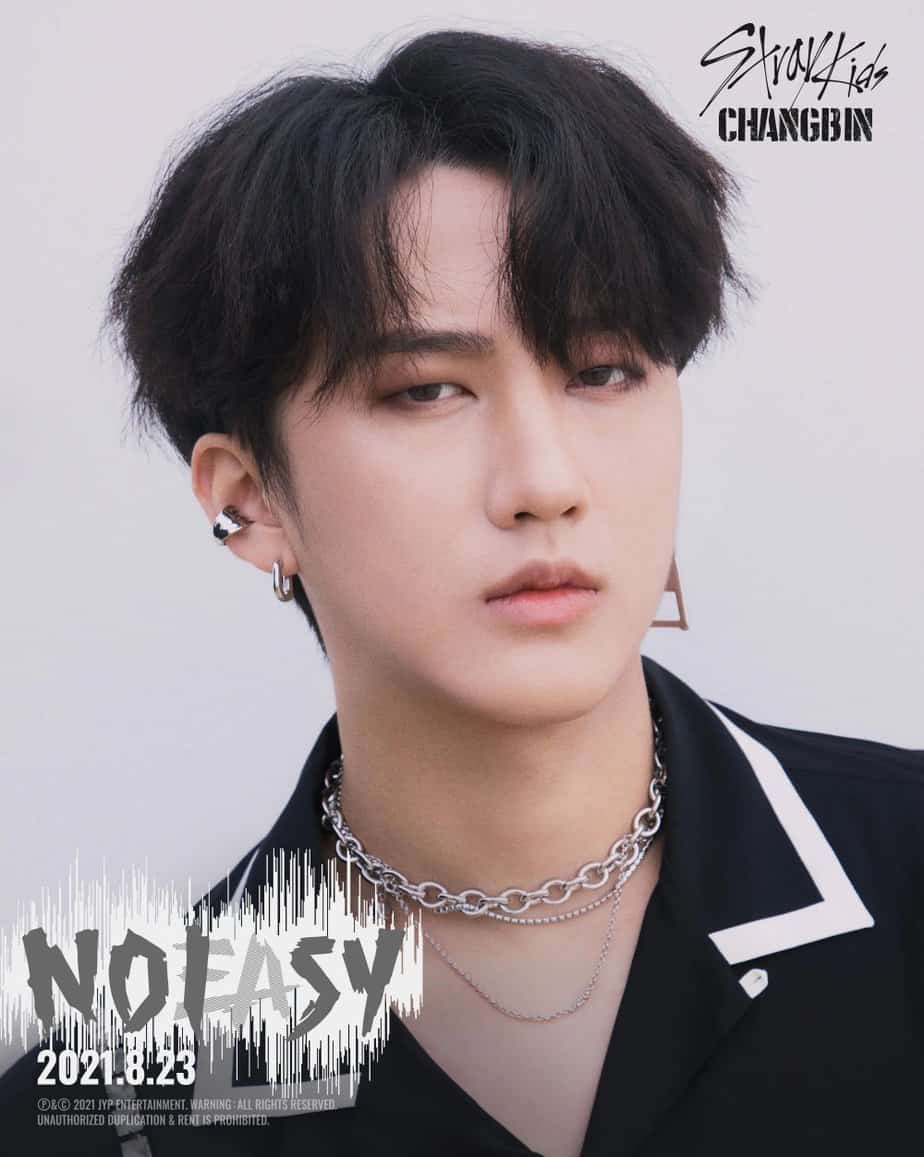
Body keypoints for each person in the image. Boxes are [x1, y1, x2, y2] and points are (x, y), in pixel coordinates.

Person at [2, 27, 922, 1157]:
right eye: (427, 390)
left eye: (603, 371)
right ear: (249, 500)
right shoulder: (123, 1106)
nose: (545, 482)